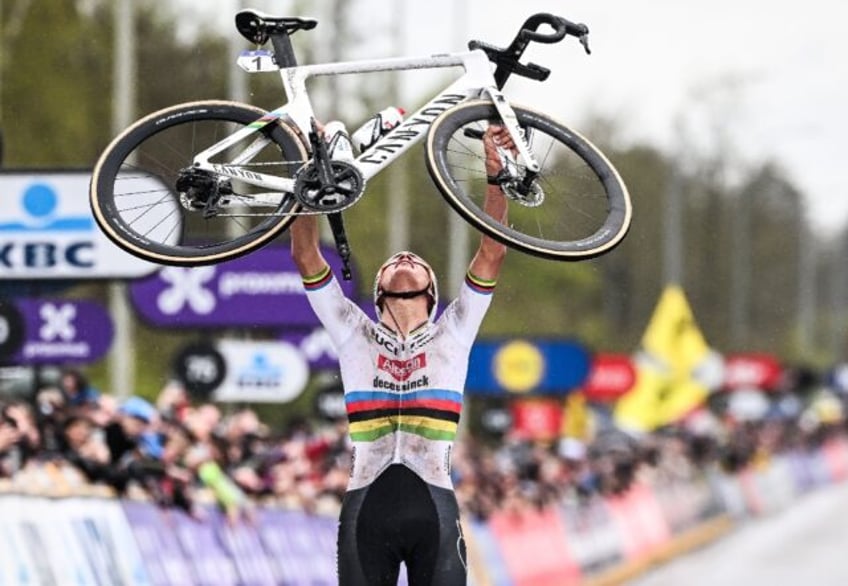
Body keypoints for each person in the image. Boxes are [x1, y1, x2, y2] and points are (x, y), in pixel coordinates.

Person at [290, 125, 514, 585]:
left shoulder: (454, 331)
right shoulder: (354, 332)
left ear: (432, 292)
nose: (405, 255)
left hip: (434, 507)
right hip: (366, 510)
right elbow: (305, 254)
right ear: (379, 292)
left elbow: (492, 252)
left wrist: (496, 178)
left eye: (414, 260)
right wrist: (305, 179)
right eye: (396, 260)